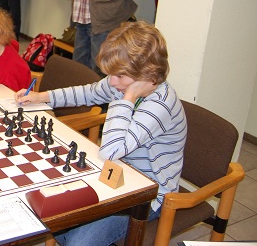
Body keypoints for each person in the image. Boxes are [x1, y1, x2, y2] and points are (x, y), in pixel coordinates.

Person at [15, 21, 187, 246]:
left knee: (78, 241)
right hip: (116, 174)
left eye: (119, 76)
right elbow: (87, 93)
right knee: (52, 215)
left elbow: (111, 151)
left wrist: (127, 99)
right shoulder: (122, 82)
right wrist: (42, 97)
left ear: (147, 74)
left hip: (148, 194)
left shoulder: (159, 105)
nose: (112, 82)